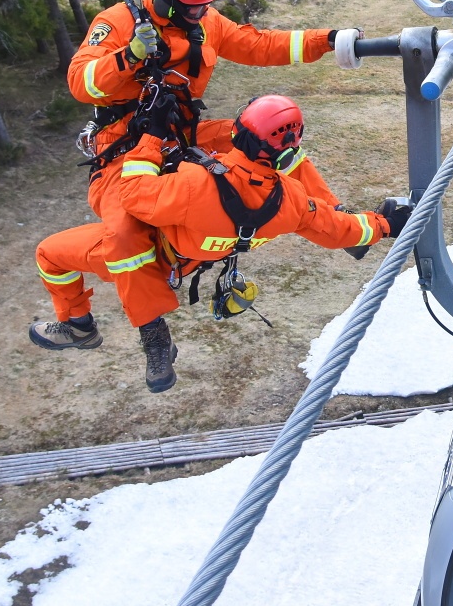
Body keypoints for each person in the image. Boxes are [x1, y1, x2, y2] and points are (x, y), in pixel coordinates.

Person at [66, 0, 356, 346]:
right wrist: (130, 55)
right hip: (126, 147)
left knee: (268, 141)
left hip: (184, 134)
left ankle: (333, 212)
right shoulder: (118, 22)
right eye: (192, 8)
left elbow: (259, 45)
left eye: (205, 6)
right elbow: (82, 83)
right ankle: (153, 333)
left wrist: (328, 40)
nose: (200, 14)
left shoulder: (206, 22)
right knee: (124, 232)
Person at [31, 95, 411, 393]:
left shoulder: (196, 185)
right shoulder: (291, 202)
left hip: (157, 253)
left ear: (239, 135)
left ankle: (79, 324)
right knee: (121, 245)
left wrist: (151, 136)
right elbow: (341, 230)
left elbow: (132, 192)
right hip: (195, 259)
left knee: (51, 254)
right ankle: (142, 336)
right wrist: (386, 224)